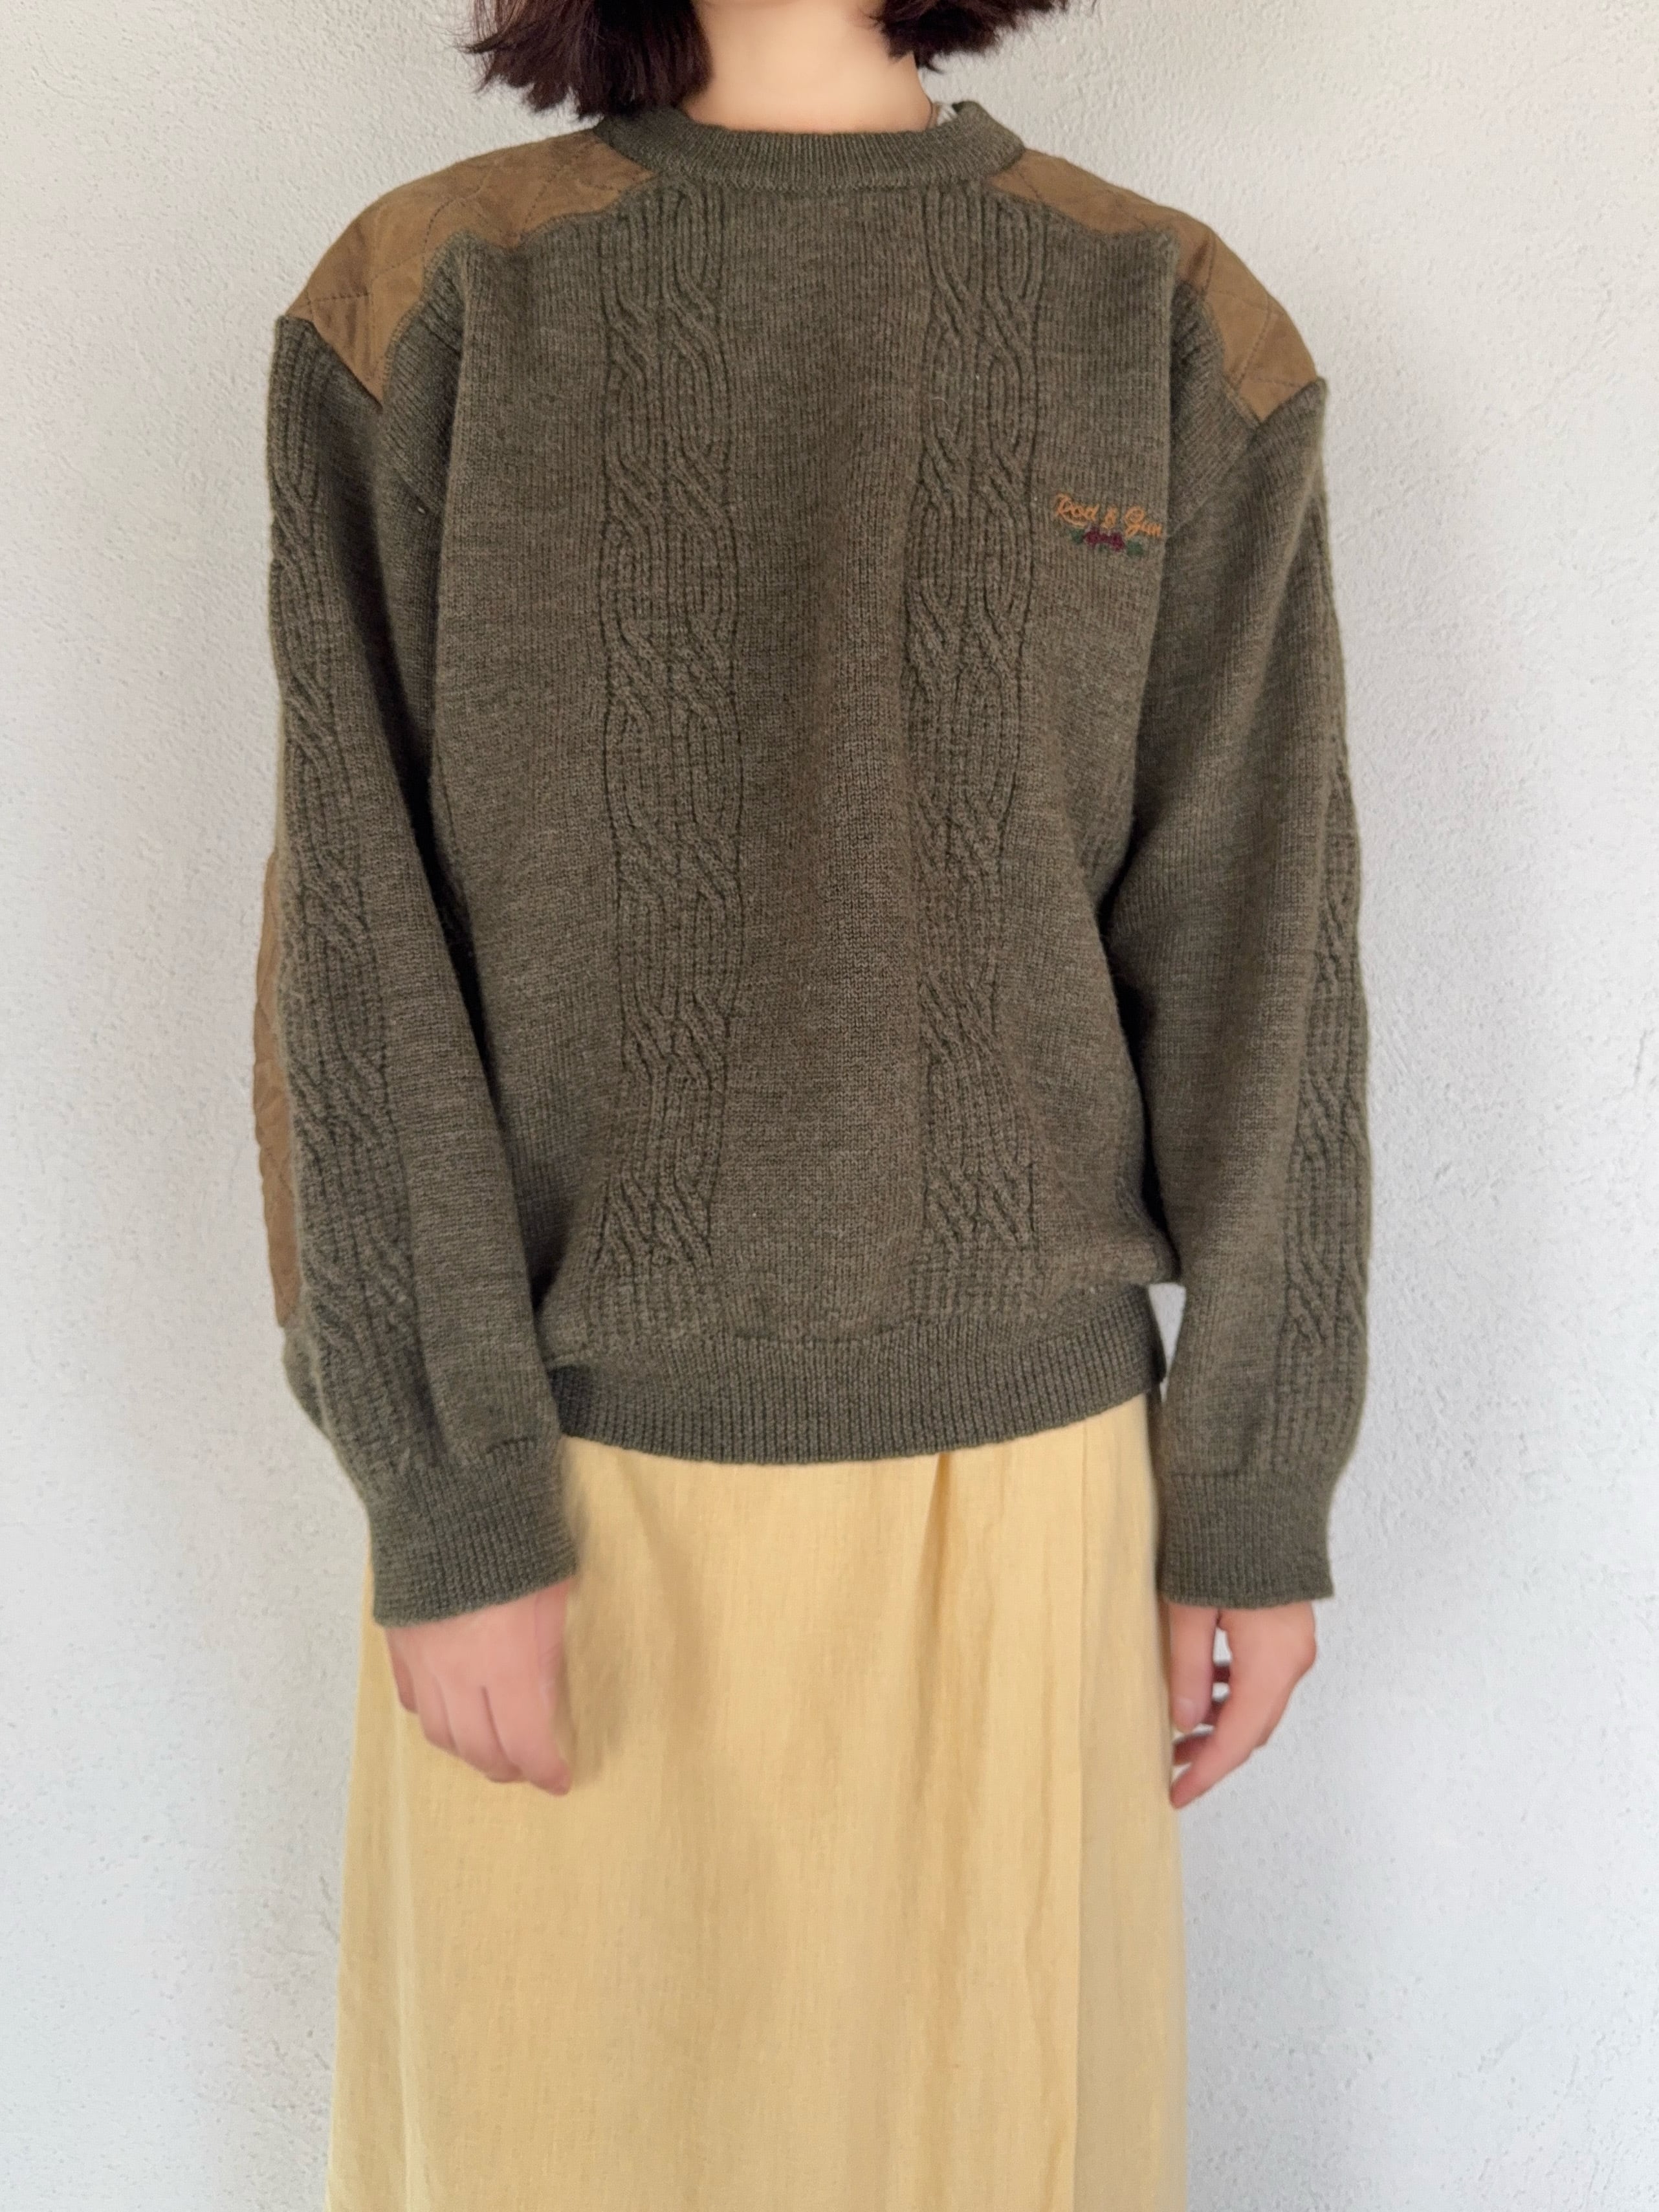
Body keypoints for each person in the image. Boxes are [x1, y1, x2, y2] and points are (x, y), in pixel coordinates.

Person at [251, 0, 1370, 2201]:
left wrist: (1249, 1479)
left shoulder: (1160, 313)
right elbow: (354, 957)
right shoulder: (430, 297)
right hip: (571, 1500)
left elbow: (1263, 941)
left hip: (1027, 1509)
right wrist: (449, 1489)